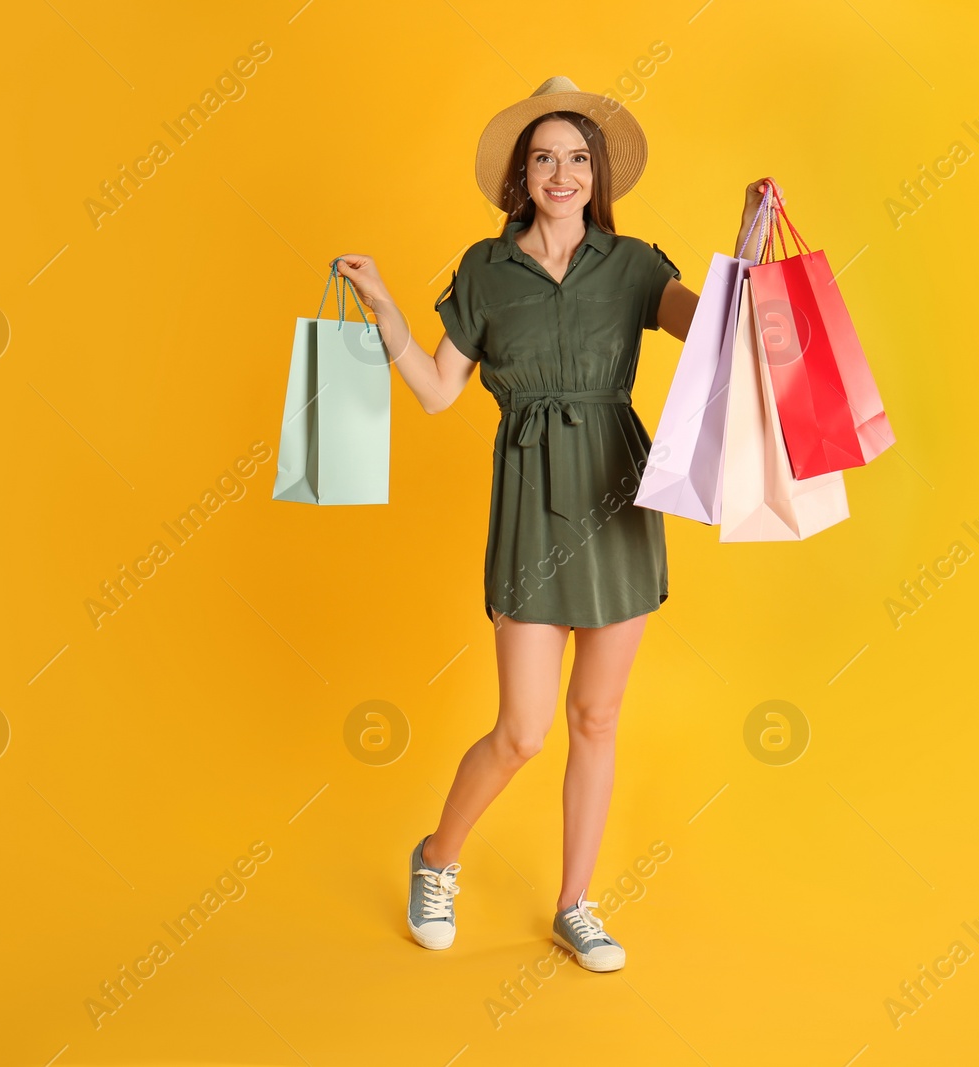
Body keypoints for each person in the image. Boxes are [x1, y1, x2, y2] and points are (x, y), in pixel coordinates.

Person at [333, 75, 783, 971]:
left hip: (617, 497)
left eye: (578, 158)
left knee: (597, 718)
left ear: (597, 174)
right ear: (520, 175)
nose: (563, 172)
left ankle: (575, 903)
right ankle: (437, 857)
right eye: (545, 157)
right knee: (524, 730)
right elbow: (435, 392)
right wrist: (383, 304)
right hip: (531, 505)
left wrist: (748, 245)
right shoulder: (484, 271)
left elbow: (717, 335)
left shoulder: (634, 265)